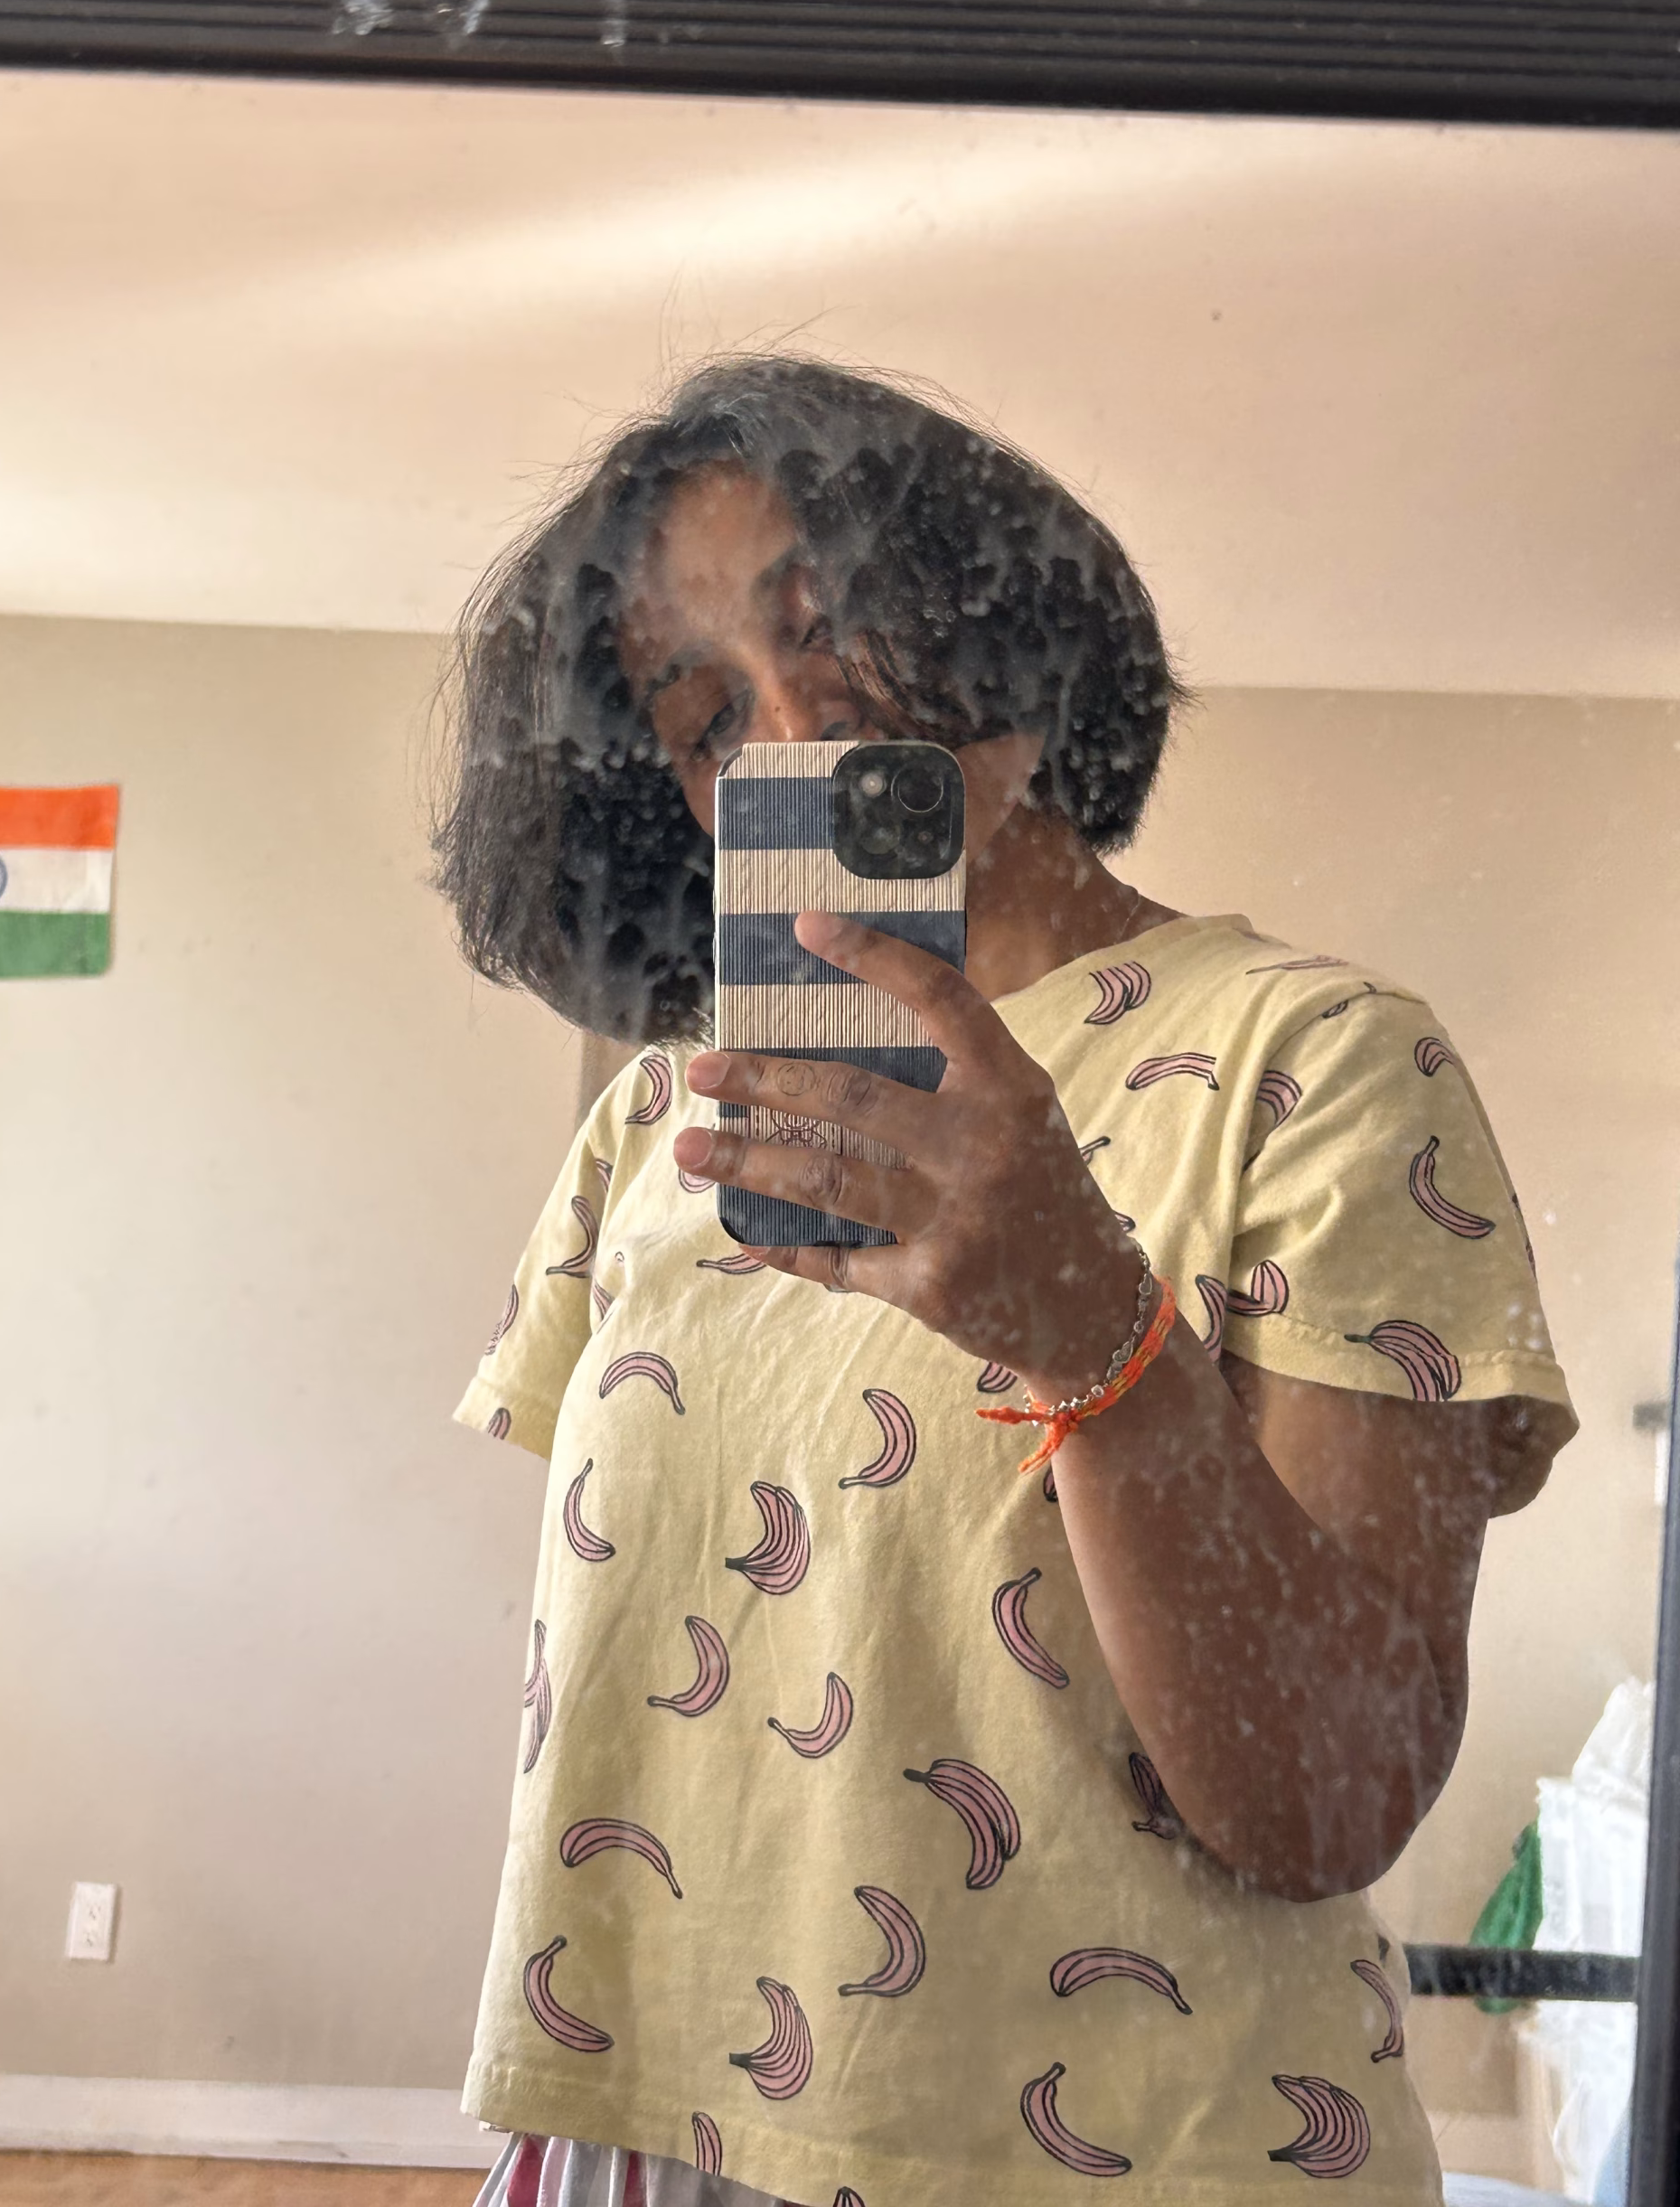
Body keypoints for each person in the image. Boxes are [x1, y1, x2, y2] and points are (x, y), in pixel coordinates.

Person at [436, 358, 1576, 2207]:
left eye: (829, 624)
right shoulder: (662, 1116)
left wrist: (1091, 1332)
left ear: (986, 598)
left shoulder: (1322, 1062)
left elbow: (1335, 1796)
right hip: (640, 2119)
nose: (799, 722)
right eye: (708, 718)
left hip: (1133, 2154)